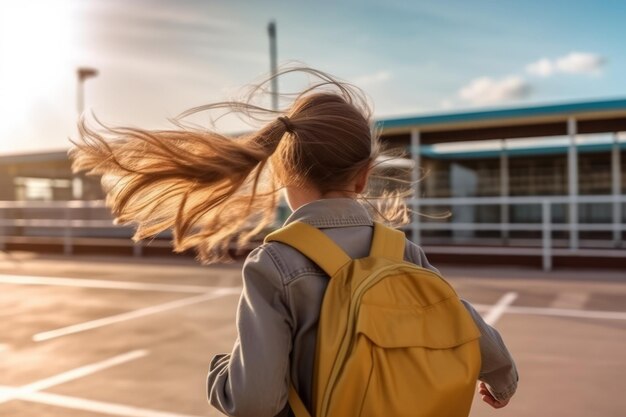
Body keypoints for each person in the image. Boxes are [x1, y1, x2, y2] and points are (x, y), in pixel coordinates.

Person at [69, 67, 518, 417]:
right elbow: (470, 328)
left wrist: (221, 373)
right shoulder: (402, 251)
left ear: (282, 174)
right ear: (363, 177)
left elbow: (255, 402)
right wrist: (502, 379)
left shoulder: (276, 264)